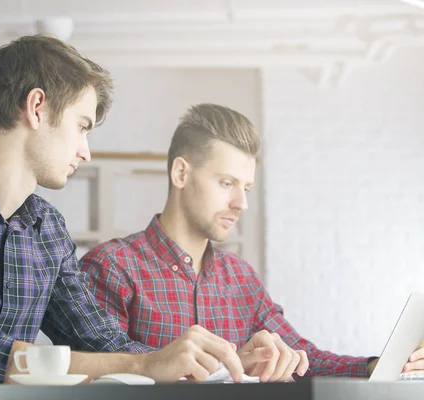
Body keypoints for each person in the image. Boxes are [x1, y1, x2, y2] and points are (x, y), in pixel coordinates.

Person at [0, 36, 264, 385]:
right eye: (82, 126)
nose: (87, 151)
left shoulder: (47, 230)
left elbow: (101, 341)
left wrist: (213, 368)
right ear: (37, 107)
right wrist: (140, 365)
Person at [79, 103, 424, 381]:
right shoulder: (112, 265)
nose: (241, 203)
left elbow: (304, 356)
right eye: (227, 183)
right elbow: (100, 368)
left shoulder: (240, 277)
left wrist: (374, 366)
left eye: (245, 188)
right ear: (181, 173)